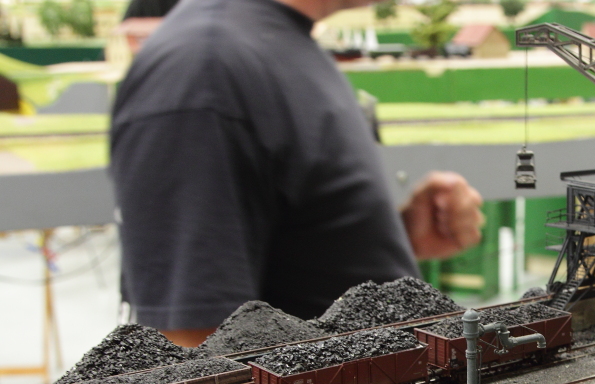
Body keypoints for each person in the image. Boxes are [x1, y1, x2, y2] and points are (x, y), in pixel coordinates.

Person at [110, 0, 484, 347]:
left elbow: (287, 266)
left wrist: (393, 236)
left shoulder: (269, 43)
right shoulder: (204, 70)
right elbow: (194, 359)